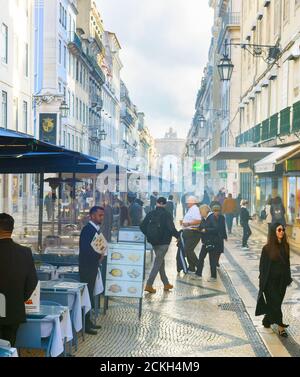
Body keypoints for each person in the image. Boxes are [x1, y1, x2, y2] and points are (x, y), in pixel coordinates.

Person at [0, 213, 38, 346]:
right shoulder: (25, 252)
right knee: (8, 347)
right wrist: (17, 298)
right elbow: (32, 281)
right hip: (13, 309)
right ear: (11, 229)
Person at [255, 223, 293, 337]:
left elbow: (287, 264)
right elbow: (262, 267)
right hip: (270, 282)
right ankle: (281, 327)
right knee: (276, 303)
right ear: (274, 232)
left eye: (283, 230)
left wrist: (288, 278)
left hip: (281, 282)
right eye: (279, 230)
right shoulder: (266, 248)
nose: (282, 232)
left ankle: (267, 320)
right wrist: (262, 282)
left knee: (276, 303)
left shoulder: (286, 246)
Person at [140, 197, 179, 294]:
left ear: (156, 203)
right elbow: (171, 228)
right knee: (158, 263)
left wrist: (148, 234)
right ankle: (149, 284)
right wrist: (178, 236)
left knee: (161, 261)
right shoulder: (167, 214)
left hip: (154, 242)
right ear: (165, 204)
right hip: (164, 243)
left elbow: (142, 226)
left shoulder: (151, 213)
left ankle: (166, 284)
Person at [79, 206, 105, 335]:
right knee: (86, 295)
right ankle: (85, 324)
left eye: (102, 215)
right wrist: (98, 255)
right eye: (100, 215)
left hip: (92, 266)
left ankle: (88, 322)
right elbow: (86, 250)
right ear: (92, 216)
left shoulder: (95, 229)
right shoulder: (87, 230)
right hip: (87, 267)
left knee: (90, 295)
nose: (102, 217)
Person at [193, 205, 219, 281]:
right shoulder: (204, 218)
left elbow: (216, 229)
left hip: (212, 242)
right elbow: (202, 226)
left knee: (212, 260)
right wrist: (197, 228)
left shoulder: (212, 217)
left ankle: (213, 277)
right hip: (205, 242)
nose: (200, 213)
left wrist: (206, 230)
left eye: (200, 212)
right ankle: (198, 274)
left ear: (204, 211)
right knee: (201, 258)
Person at [181, 196, 202, 273]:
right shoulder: (191, 209)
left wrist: (188, 223)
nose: (187, 203)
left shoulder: (195, 209)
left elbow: (198, 220)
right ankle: (191, 267)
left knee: (188, 249)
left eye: (188, 202)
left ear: (192, 202)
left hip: (193, 233)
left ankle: (199, 265)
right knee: (188, 250)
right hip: (189, 232)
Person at [211, 203, 227, 268]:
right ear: (213, 211)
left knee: (219, 250)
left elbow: (223, 227)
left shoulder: (222, 217)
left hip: (220, 236)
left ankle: (217, 261)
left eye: (217, 211)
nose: (216, 212)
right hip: (213, 236)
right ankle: (214, 262)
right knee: (214, 250)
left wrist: (225, 236)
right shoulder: (211, 217)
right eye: (215, 211)